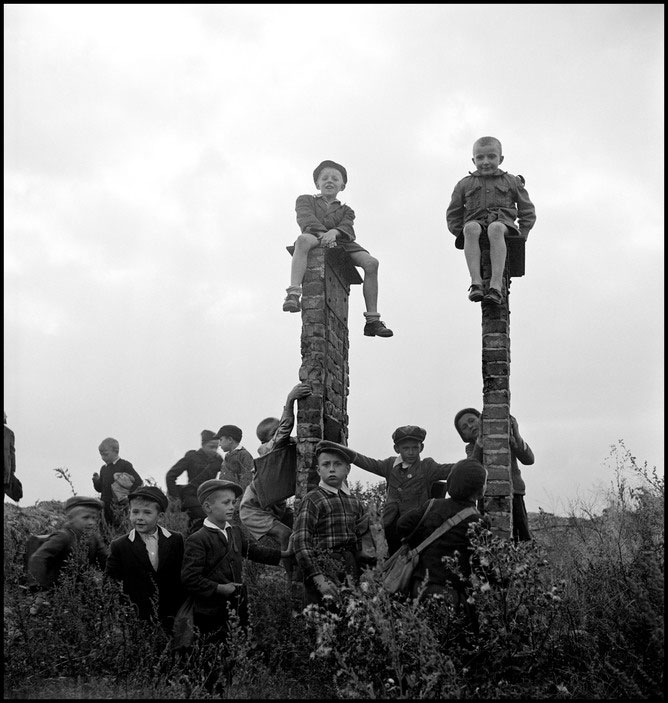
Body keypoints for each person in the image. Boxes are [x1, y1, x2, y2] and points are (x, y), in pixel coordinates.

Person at [322, 426, 482, 555]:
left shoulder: (427, 467)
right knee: (389, 561)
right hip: (390, 527)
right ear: (397, 448)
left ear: (422, 447)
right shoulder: (390, 465)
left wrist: (478, 448)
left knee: (413, 561)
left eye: (415, 448)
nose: (411, 452)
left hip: (416, 527)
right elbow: (367, 463)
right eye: (406, 448)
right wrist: (343, 451)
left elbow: (459, 470)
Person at [283, 159, 393, 338]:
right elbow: (305, 218)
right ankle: (293, 294)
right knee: (302, 240)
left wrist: (334, 232)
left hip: (340, 240)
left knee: (372, 263)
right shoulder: (305, 200)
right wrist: (322, 235)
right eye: (324, 178)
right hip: (314, 235)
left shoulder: (347, 210)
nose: (329, 181)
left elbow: (348, 227)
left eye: (335, 179)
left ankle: (372, 320)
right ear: (317, 183)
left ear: (342, 186)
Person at [181, 479, 286, 645]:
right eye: (226, 503)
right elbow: (190, 578)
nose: (232, 507)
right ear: (208, 507)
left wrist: (283, 555)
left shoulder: (234, 531)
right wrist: (219, 588)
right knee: (213, 651)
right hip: (209, 611)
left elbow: (253, 551)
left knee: (239, 644)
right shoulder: (197, 539)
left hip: (237, 603)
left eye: (234, 502)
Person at [446, 136, 536, 305]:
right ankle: (476, 283)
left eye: (491, 156)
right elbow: (453, 213)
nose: (485, 162)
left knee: (495, 228)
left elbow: (527, 211)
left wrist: (522, 236)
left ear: (500, 159)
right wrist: (461, 233)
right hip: (475, 226)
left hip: (503, 225)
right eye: (480, 157)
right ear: (473, 160)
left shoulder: (512, 182)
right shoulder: (464, 184)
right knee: (471, 228)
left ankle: (495, 285)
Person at [396, 459, 488, 614]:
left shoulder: (433, 505)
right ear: (480, 490)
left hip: (418, 587)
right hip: (450, 595)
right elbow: (483, 566)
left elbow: (402, 525)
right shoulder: (478, 521)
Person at [291, 440, 369, 607]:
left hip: (350, 565)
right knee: (323, 618)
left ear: (347, 469)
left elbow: (363, 539)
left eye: (338, 464)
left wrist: (364, 574)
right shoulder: (313, 499)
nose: (332, 469)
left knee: (351, 615)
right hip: (322, 565)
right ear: (318, 470)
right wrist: (318, 578)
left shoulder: (355, 502)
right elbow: (301, 542)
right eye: (326, 464)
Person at [239, 383, 312, 555]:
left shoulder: (281, 449)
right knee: (285, 534)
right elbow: (284, 432)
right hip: (253, 510)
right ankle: (291, 579)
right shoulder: (266, 449)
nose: (280, 433)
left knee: (300, 530)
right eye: (275, 432)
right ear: (266, 439)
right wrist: (290, 400)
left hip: (274, 507)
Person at [105, 486, 186, 633]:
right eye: (135, 512)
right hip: (137, 614)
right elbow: (111, 582)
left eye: (147, 512)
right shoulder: (120, 545)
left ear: (160, 517)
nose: (139, 517)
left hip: (171, 612)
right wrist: (118, 613)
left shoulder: (175, 540)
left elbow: (182, 574)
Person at [454, 407, 535, 542]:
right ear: (464, 435)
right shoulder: (471, 449)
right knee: (488, 538)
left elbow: (529, 460)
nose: (470, 426)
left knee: (521, 538)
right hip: (485, 497)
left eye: (472, 421)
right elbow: (472, 469)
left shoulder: (503, 437)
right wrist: (479, 445)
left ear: (481, 420)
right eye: (465, 427)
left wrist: (516, 437)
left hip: (514, 493)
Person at [28, 496, 108, 591]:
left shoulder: (94, 538)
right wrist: (41, 587)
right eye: (85, 517)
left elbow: (107, 562)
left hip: (79, 588)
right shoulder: (63, 536)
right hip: (56, 589)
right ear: (71, 518)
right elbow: (38, 558)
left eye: (94, 518)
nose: (91, 522)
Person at [166, 430, 223, 534]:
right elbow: (170, 476)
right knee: (202, 521)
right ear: (203, 445)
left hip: (208, 497)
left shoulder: (218, 460)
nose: (214, 450)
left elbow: (228, 474)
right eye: (211, 447)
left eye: (217, 447)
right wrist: (176, 499)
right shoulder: (192, 457)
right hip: (192, 496)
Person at [92, 438, 143, 530]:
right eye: (101, 455)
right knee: (105, 531)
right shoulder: (103, 469)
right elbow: (100, 488)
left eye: (106, 454)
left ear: (116, 451)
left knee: (120, 531)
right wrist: (95, 480)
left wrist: (129, 497)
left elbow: (138, 482)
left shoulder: (124, 465)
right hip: (105, 507)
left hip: (119, 507)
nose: (103, 458)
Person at [216, 425, 254, 494]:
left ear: (230, 440)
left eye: (221, 440)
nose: (219, 444)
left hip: (237, 499)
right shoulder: (227, 456)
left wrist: (240, 499)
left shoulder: (243, 455)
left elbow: (248, 479)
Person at [4, 411, 22, 501]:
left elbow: (12, 453)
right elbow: (12, 453)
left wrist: (12, 470)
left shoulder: (9, 433)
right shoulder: (9, 433)